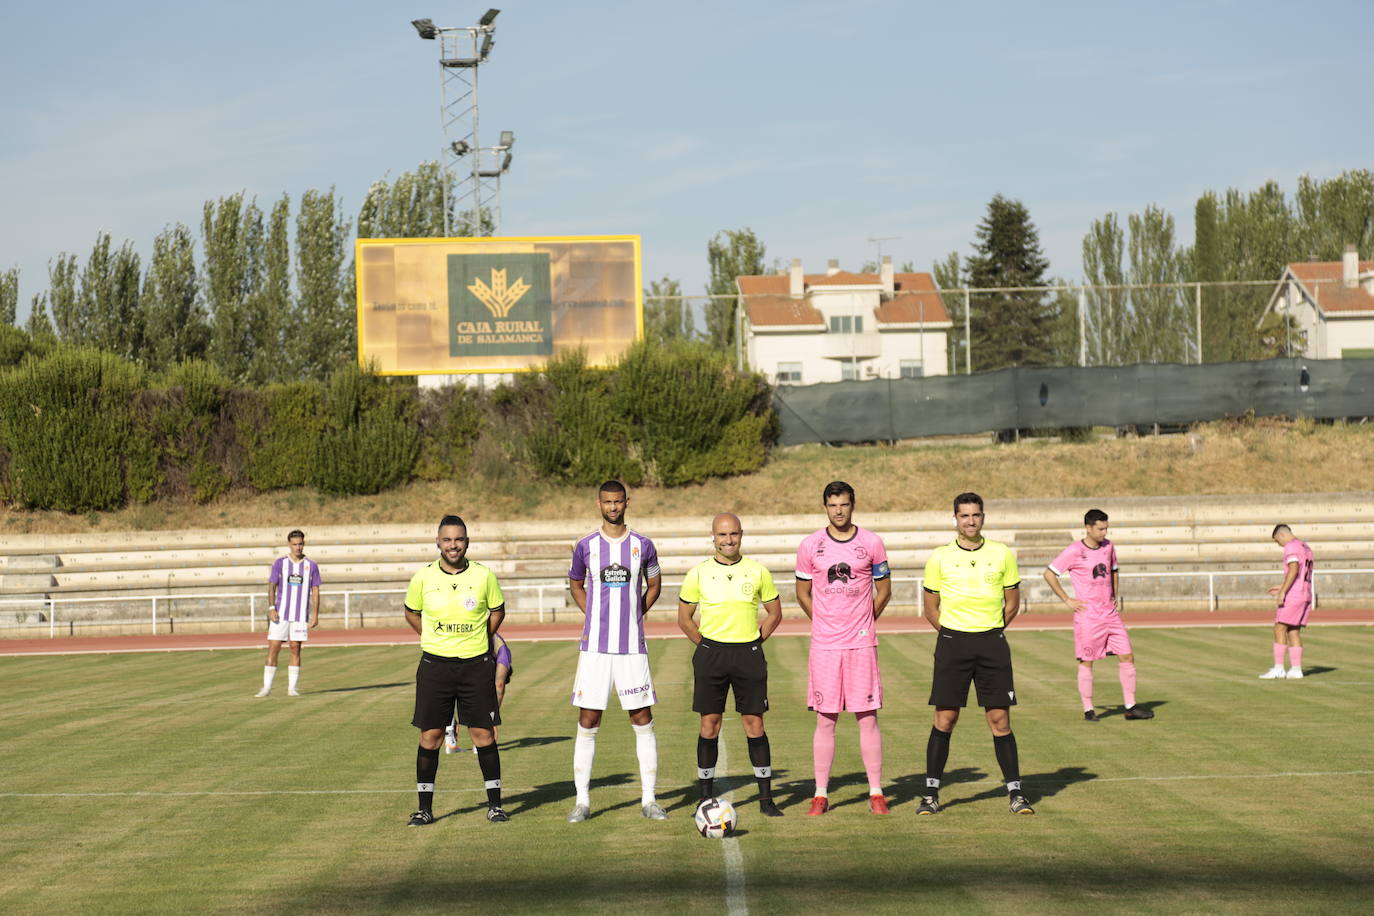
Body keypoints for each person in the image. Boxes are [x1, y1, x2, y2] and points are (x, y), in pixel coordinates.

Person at [919, 492, 1034, 816]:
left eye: (976, 515)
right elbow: (931, 607)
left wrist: (992, 630)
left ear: (983, 518)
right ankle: (930, 795)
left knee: (999, 720)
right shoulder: (939, 557)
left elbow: (1011, 602)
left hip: (991, 644)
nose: (971, 521)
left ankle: (1016, 793)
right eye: (965, 515)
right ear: (955, 518)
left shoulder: (1001, 554)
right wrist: (954, 634)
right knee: (946, 718)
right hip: (953, 643)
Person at [566, 480, 666, 822]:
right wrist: (592, 613)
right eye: (607, 502)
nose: (613, 507)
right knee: (588, 720)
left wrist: (636, 613)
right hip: (594, 649)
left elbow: (655, 583)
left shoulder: (643, 545)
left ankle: (649, 799)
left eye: (618, 502)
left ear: (626, 502)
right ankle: (582, 801)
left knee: (642, 719)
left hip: (631, 650)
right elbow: (576, 584)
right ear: (599, 503)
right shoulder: (585, 546)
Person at [402, 515, 509, 826]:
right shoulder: (422, 578)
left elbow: (497, 611)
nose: (453, 545)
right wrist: (432, 637)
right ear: (438, 542)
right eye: (447, 539)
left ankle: (495, 806)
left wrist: (478, 638)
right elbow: (411, 611)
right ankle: (424, 808)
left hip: (476, 666)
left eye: (459, 539)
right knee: (431, 736)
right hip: (435, 666)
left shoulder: (483, 575)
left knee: (483, 734)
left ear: (467, 542)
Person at [795, 481, 893, 816]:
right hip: (825, 645)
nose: (839, 510)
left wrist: (866, 620)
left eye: (845, 504)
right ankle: (821, 793)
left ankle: (877, 792)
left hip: (861, 644)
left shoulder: (872, 543)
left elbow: (884, 590)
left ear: (853, 505)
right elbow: (802, 593)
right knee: (826, 719)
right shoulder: (810, 545)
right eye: (833, 505)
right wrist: (822, 621)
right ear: (825, 506)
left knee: (867, 718)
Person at [678, 513, 785, 818]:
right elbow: (684, 618)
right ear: (713, 537)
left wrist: (754, 643)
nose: (728, 540)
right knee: (709, 725)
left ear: (741, 535)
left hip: (748, 654)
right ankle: (705, 798)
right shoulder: (698, 573)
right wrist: (707, 645)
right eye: (722, 535)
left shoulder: (757, 571)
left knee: (755, 725)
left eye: (733, 534)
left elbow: (775, 613)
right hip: (712, 654)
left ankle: (766, 800)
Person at [1043, 509, 1154, 721]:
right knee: (1087, 661)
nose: (1104, 532)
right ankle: (1088, 709)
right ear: (1088, 528)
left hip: (1110, 614)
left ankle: (1130, 707)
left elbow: (1114, 570)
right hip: (1088, 616)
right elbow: (1049, 574)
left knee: (1127, 656)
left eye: (1106, 528)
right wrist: (1067, 600)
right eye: (1100, 529)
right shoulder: (1074, 551)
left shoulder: (1109, 546)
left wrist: (1115, 595)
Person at [255, 529, 320, 697]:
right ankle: (266, 688)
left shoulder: (311, 565)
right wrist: (271, 608)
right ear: (289, 545)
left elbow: (315, 590)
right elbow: (271, 586)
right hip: (280, 613)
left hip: (300, 615)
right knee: (274, 648)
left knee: (295, 648)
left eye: (300, 544)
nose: (298, 547)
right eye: (295, 544)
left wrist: (315, 614)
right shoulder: (280, 563)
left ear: (303, 544)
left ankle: (292, 688)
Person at [1261, 524, 1314, 679]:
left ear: (1282, 535)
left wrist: (1283, 592)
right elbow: (1301, 573)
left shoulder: (1290, 547)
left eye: (1277, 541)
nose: (1279, 544)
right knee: (1293, 631)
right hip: (1305, 593)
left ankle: (1279, 668)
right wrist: (1282, 586)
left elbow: (1294, 569)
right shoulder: (1305, 547)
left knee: (1279, 627)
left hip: (1294, 595)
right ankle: (1296, 670)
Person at [445, 632, 513, 753]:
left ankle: (450, 741)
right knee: (475, 696)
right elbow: (499, 685)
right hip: (470, 652)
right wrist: (492, 719)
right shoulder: (504, 654)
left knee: (450, 690)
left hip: (450, 647)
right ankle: (479, 744)